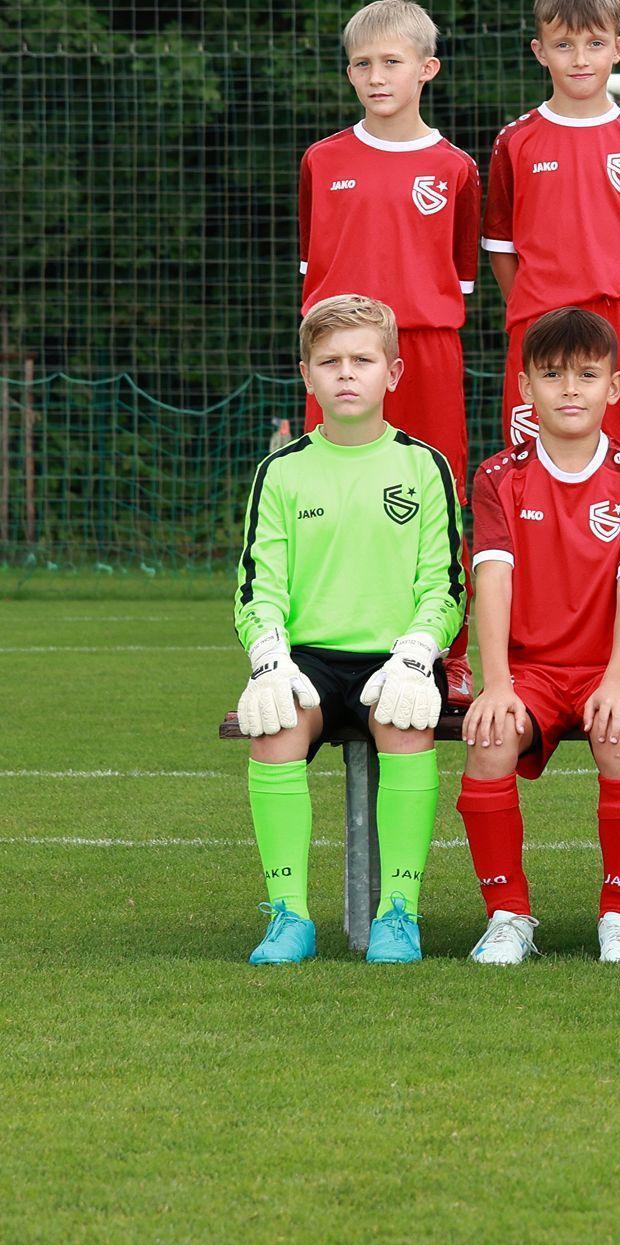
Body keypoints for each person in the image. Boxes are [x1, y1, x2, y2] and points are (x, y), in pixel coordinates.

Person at [231, 294, 464, 966]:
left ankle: (400, 912)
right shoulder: (281, 471)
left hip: (398, 659)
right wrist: (269, 658)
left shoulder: (423, 467)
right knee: (273, 731)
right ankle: (289, 916)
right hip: (308, 663)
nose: (346, 373)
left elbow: (444, 586)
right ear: (307, 377)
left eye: (362, 359)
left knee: (408, 724)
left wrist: (421, 652)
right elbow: (257, 587)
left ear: (393, 371)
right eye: (329, 361)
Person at [456, 307, 620, 965]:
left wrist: (615, 680)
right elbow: (492, 578)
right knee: (489, 740)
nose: (570, 389)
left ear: (616, 386)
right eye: (552, 375)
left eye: (586, 374)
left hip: (619, 662)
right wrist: (498, 683)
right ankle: (508, 916)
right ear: (525, 388)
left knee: (619, 731)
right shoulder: (498, 476)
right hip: (531, 666)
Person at [483, 0, 620, 448]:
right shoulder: (516, 141)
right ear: (539, 51)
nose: (580, 59)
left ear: (618, 47)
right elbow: (501, 251)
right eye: (564, 45)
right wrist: (541, 299)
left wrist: (612, 288)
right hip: (540, 318)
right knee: (532, 459)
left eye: (594, 43)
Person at [298, 0, 482, 487]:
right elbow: (310, 269)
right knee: (331, 485)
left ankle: (440, 568)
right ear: (350, 73)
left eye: (391, 62)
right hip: (340, 350)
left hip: (426, 347)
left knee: (434, 484)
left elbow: (460, 280)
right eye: (363, 64)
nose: (376, 77)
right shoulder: (321, 161)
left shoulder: (456, 169)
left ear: (427, 69)